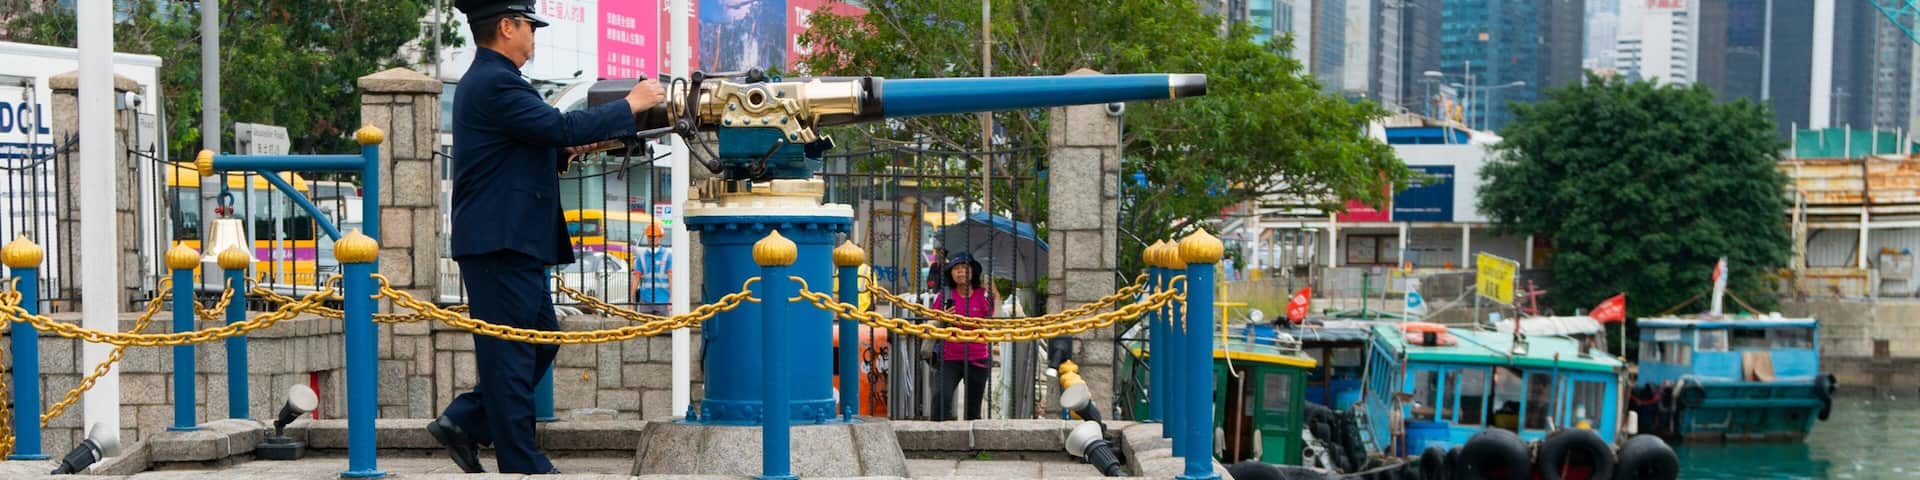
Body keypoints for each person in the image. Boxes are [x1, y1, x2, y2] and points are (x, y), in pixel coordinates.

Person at [429, 0, 667, 474]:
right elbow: (557, 125)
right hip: (500, 241)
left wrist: (568, 150)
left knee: (539, 341)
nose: (533, 37)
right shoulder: (495, 81)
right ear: (506, 26)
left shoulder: (497, 81)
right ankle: (522, 462)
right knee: (514, 352)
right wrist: (631, 104)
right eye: (529, 27)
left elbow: (527, 144)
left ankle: (465, 420)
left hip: (510, 240)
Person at [930, 252, 1000, 421]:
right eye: (956, 268)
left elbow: (996, 321)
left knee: (973, 411)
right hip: (949, 358)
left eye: (964, 267)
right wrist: (944, 317)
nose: (961, 271)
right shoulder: (945, 295)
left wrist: (995, 295)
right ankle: (939, 434)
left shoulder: (983, 295)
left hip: (978, 359)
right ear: (951, 273)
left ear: (972, 272)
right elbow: (931, 323)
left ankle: (971, 438)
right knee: (940, 400)